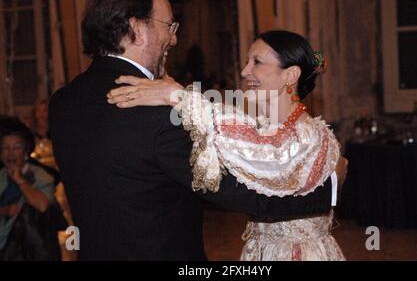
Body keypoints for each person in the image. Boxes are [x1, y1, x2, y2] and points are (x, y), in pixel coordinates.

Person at [49, 0, 343, 261]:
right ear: (137, 29)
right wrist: (329, 187)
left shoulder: (62, 102)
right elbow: (240, 194)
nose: (174, 39)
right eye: (169, 26)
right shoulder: (161, 113)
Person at [107, 30, 346, 260]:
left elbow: (269, 155)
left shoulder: (309, 135)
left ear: (290, 75)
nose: (244, 71)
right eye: (246, 61)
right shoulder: (258, 128)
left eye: (257, 62)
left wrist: (179, 96)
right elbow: (238, 142)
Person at [0, 122, 61, 260]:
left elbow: (42, 205)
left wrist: (20, 181)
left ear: (26, 151)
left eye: (16, 147)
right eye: (5, 147)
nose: (10, 153)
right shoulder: (1, 176)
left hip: (31, 251)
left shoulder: (41, 176)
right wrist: (5, 210)